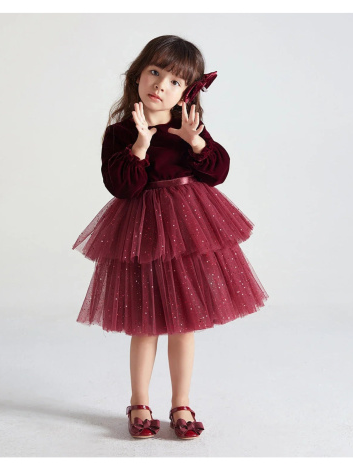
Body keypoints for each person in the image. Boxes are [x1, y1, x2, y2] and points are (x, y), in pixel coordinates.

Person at [72, 35, 269, 439]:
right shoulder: (120, 133)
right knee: (144, 323)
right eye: (155, 72)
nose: (161, 85)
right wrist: (140, 146)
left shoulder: (187, 127)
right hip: (141, 231)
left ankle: (181, 403)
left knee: (184, 321)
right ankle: (139, 402)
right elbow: (122, 186)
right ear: (138, 75)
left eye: (175, 81)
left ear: (187, 92)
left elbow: (217, 172)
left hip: (187, 229)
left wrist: (194, 140)